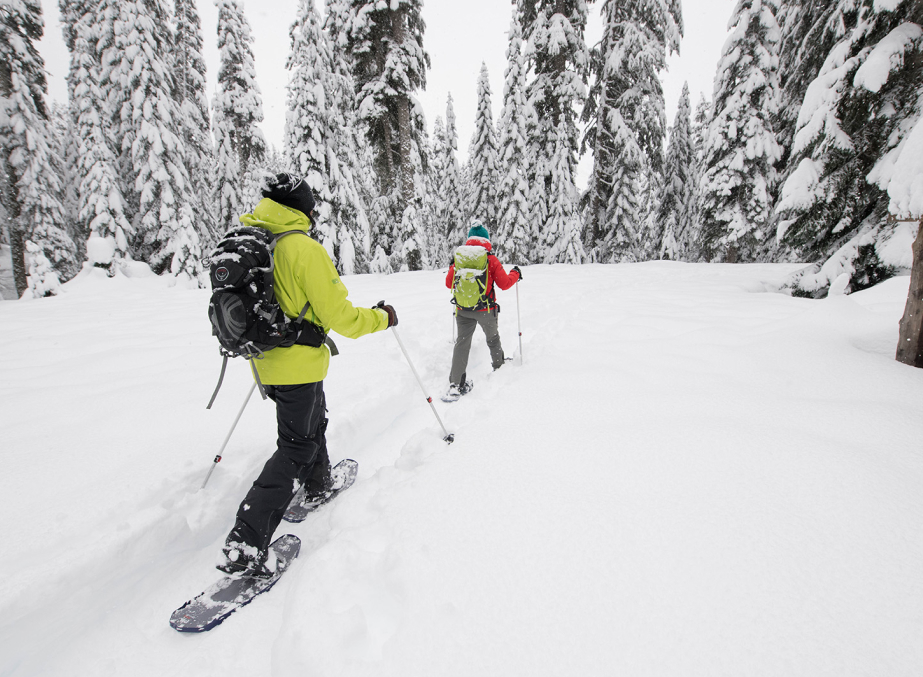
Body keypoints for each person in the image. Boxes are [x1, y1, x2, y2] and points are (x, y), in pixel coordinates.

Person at [218, 173, 398, 578]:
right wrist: (382, 318)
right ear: (300, 209)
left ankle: (318, 485)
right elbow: (344, 319)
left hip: (266, 361)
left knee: (312, 421)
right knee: (295, 446)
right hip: (297, 364)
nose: (315, 214)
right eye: (311, 207)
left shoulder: (257, 240)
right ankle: (245, 543)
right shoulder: (304, 249)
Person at [444, 221, 522, 401]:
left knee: (462, 343)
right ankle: (499, 366)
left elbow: (449, 283)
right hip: (486, 309)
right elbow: (504, 284)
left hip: (462, 309)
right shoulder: (490, 259)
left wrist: (452, 267)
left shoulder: (460, 259)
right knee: (493, 339)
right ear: (486, 240)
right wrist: (515, 274)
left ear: (469, 240)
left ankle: (456, 384)